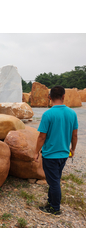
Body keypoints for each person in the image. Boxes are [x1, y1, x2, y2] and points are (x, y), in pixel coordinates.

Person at [34, 85, 78, 216]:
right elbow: (74, 135)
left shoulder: (48, 114)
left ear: (49, 97)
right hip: (64, 153)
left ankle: (55, 208)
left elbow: (42, 136)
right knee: (55, 179)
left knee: (54, 182)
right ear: (64, 96)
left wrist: (36, 151)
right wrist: (73, 149)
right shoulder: (72, 113)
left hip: (50, 155)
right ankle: (51, 202)